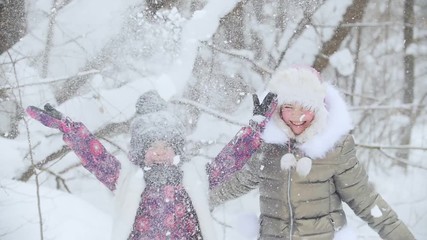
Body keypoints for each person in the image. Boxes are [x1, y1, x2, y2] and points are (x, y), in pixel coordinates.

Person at [209, 66, 415, 240]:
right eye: (289, 107)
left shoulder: (335, 148)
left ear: (318, 108)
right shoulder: (267, 146)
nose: (297, 117)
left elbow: (366, 202)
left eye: (305, 107)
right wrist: (198, 199)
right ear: (278, 109)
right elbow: (235, 182)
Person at [26, 90, 216, 240]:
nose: (160, 152)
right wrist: (67, 128)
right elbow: (96, 157)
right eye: (152, 146)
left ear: (177, 150)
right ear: (140, 153)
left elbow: (229, 161)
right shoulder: (126, 178)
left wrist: (247, 134)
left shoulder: (194, 177)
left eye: (166, 145)